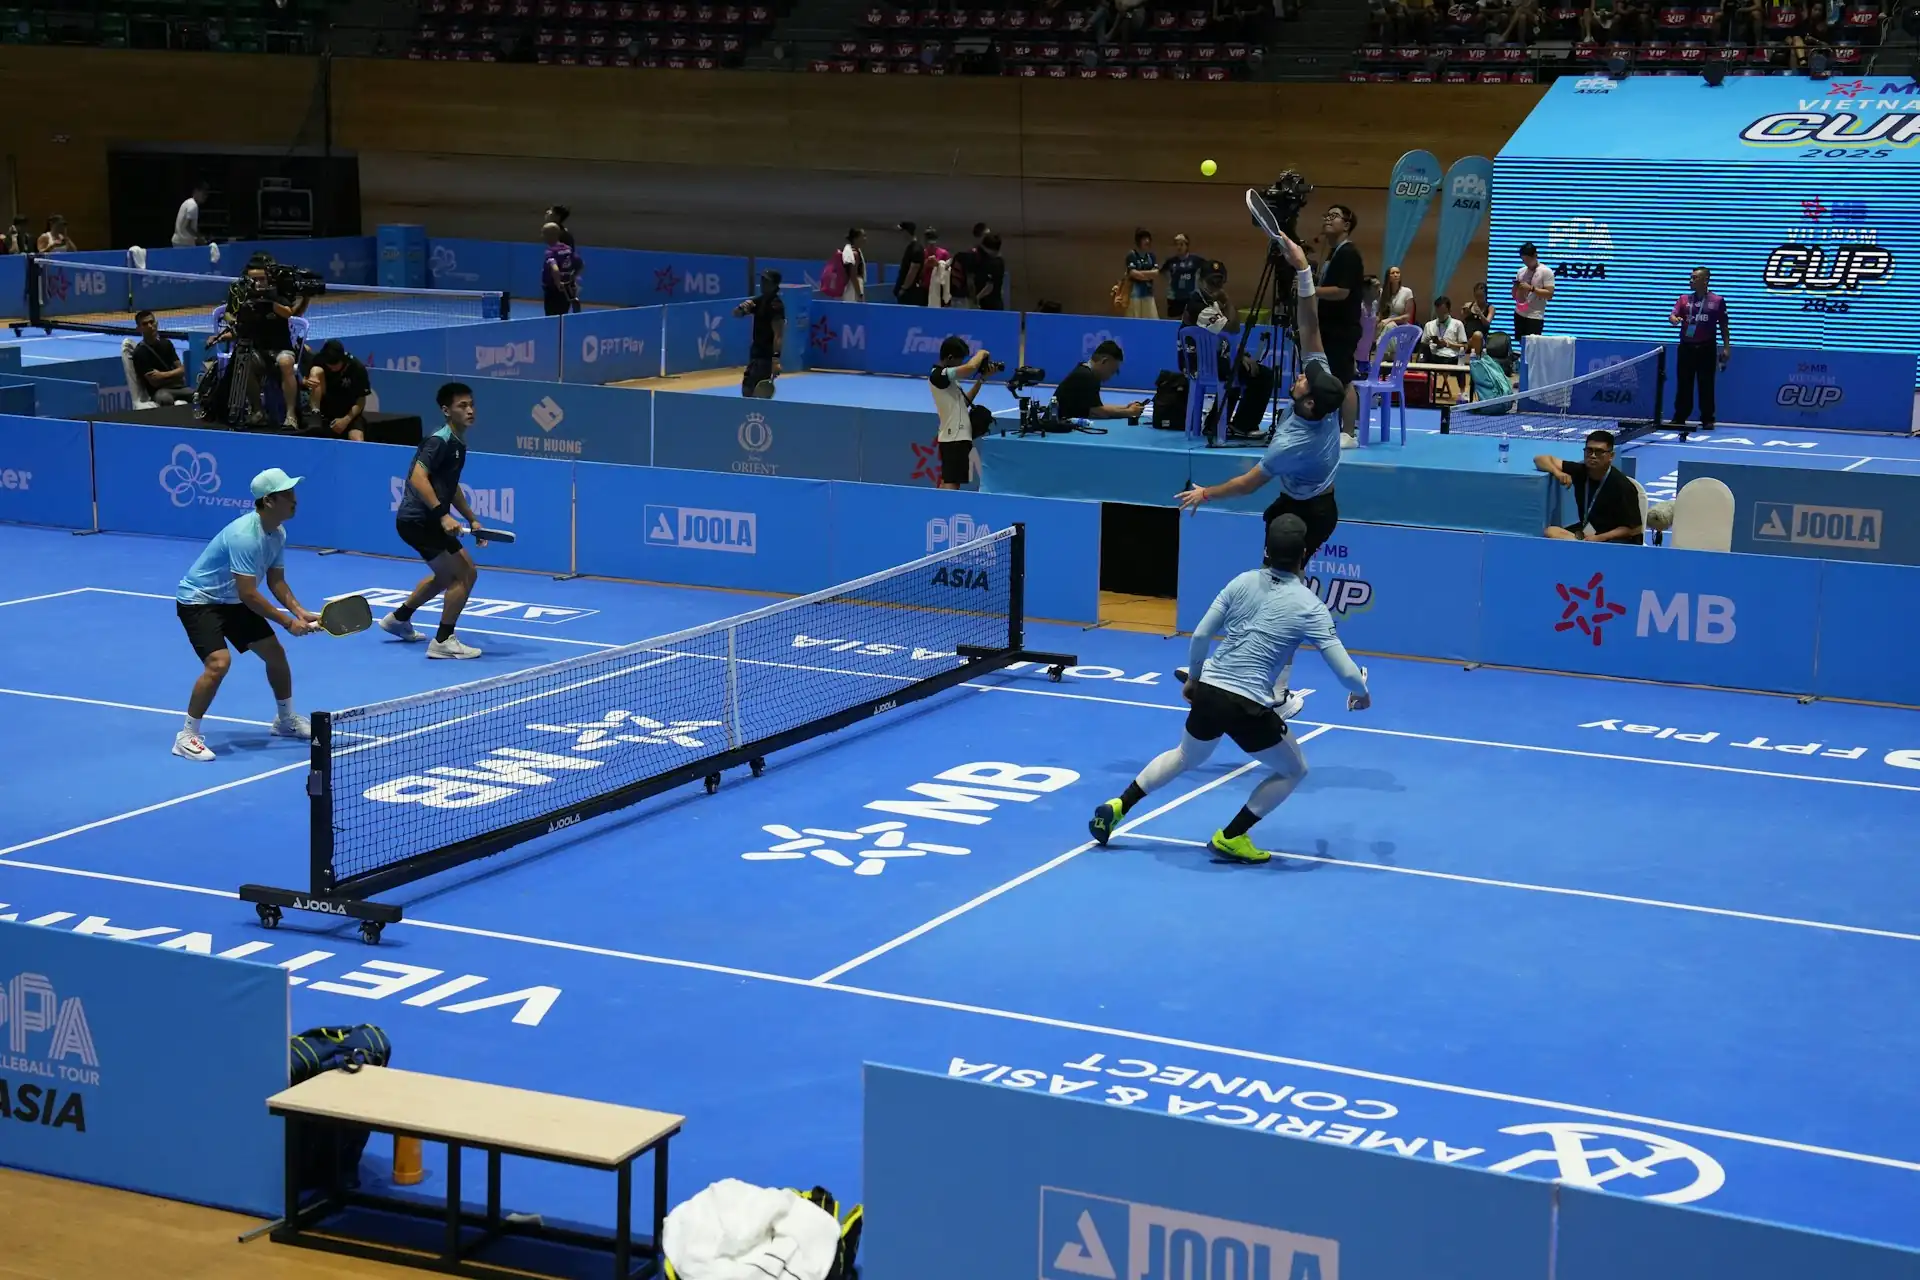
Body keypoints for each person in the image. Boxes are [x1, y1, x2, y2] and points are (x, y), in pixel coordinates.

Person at [1088, 514, 1371, 864]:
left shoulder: (1241, 582)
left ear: (1266, 550)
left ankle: (1119, 805)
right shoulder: (1311, 607)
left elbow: (1202, 635)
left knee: (1186, 755)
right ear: (1304, 557)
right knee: (1294, 770)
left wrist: (1194, 679)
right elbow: (1345, 672)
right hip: (1246, 704)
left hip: (1209, 690)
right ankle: (1231, 836)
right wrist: (1361, 691)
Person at [1174, 226, 1347, 720]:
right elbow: (1311, 329)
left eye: (1301, 380)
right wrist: (1304, 270)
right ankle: (1244, 676)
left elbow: (1250, 483)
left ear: (1309, 402)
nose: (1297, 374)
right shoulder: (1322, 394)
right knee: (1273, 593)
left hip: (1311, 510)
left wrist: (1206, 492)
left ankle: (1275, 691)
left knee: (1283, 600)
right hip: (1300, 501)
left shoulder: (1296, 440)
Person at [171, 468, 318, 761]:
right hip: (200, 601)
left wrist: (301, 612)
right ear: (268, 501)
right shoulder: (244, 536)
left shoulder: (277, 532)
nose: (294, 500)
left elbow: (276, 582)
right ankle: (186, 736)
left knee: (275, 654)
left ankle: (285, 720)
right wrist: (289, 622)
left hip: (230, 600)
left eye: (293, 493)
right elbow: (248, 594)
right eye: (287, 495)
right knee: (218, 663)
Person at [378, 383, 489, 659]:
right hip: (421, 520)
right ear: (446, 410)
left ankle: (398, 619)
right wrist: (443, 515)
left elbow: (451, 487)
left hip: (419, 521)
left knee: (445, 576)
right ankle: (443, 640)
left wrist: (472, 519)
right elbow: (418, 477)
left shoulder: (457, 442)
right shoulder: (439, 441)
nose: (470, 410)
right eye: (462, 406)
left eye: (471, 404)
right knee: (465, 573)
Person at [215, 253, 309, 429]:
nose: (257, 282)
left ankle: (290, 416)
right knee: (243, 361)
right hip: (257, 350)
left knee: (286, 362)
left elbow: (289, 313)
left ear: (268, 278)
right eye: (253, 279)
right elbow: (229, 312)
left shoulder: (276, 294)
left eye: (261, 278)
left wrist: (269, 303)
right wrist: (232, 321)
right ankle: (258, 412)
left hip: (281, 348)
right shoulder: (243, 294)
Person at [1183, 259, 1275, 438]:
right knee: (1263, 375)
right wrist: (1228, 301)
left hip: (1214, 361)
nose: (1216, 285)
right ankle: (1243, 425)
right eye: (1212, 281)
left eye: (1219, 281)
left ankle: (1213, 423)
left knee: (1240, 370)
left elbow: (1224, 339)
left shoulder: (1210, 302)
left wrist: (1241, 355)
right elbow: (1233, 328)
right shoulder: (1200, 306)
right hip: (1202, 364)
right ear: (1200, 280)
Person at [1535, 430, 1644, 543]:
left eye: (1599, 452)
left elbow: (1635, 529)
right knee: (1551, 531)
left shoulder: (1623, 486)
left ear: (1611, 456)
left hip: (1615, 539)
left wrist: (1600, 538)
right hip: (1589, 532)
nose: (1592, 456)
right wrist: (1558, 473)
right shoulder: (1581, 471)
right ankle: (1584, 546)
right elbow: (1540, 460)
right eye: (1589, 450)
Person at [1313, 204, 1365, 440]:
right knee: (1333, 378)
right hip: (1329, 328)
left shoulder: (1348, 253)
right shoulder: (1335, 253)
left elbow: (1342, 291)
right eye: (1327, 214)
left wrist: (1312, 290)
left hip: (1342, 329)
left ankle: (1348, 434)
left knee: (1343, 381)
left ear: (1346, 225)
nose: (1327, 219)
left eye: (1334, 216)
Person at [1668, 266, 1731, 433]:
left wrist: (1726, 348)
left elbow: (1724, 325)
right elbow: (1672, 315)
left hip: (1706, 348)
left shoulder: (1717, 301)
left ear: (1705, 280)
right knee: (1684, 384)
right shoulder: (1683, 299)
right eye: (1691, 277)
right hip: (1686, 348)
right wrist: (1674, 320)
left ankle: (1707, 419)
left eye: (1695, 278)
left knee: (1706, 385)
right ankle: (1679, 417)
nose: (1691, 280)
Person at [930, 336, 992, 489]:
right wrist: (981, 353)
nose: (961, 364)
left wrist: (982, 379)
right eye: (960, 360)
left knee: (947, 481)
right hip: (954, 437)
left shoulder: (949, 381)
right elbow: (970, 368)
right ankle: (947, 511)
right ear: (950, 358)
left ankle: (936, 510)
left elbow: (963, 404)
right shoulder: (938, 375)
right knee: (952, 483)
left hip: (956, 437)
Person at [1055, 340, 1147, 422]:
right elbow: (1099, 412)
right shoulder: (1087, 377)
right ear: (1104, 361)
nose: (1111, 377)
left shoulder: (1086, 371)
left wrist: (1126, 407)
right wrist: (1129, 412)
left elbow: (1097, 407)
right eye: (1112, 371)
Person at [302, 339, 369, 441]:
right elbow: (302, 377)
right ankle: (315, 413)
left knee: (357, 440)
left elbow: (361, 400)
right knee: (315, 370)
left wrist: (346, 420)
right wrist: (306, 382)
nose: (332, 368)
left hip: (348, 411)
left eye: (335, 364)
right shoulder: (319, 359)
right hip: (325, 407)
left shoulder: (356, 368)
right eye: (329, 364)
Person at [733, 270, 786, 397]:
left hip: (766, 357)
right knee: (748, 389)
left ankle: (757, 415)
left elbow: (778, 335)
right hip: (755, 354)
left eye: (766, 281)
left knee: (752, 390)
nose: (762, 283)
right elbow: (736, 314)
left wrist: (776, 360)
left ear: (774, 285)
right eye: (762, 280)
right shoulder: (758, 301)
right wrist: (741, 307)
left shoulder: (776, 306)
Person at [130, 309, 188, 405]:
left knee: (200, 396)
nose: (150, 326)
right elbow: (155, 382)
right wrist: (174, 375)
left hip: (179, 388)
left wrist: (162, 375)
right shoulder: (139, 352)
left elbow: (182, 370)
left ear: (156, 323)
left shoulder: (167, 343)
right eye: (145, 324)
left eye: (151, 322)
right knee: (165, 399)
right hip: (159, 392)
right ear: (139, 329)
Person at [1512, 241, 1555, 338]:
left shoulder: (1546, 271)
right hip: (1520, 312)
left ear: (1535, 256)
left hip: (1535, 316)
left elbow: (1549, 294)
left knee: (1533, 344)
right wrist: (1515, 288)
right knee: (1520, 341)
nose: (1526, 263)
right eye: (1523, 260)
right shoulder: (1521, 271)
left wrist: (1531, 288)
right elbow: (1514, 296)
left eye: (1528, 260)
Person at [541, 222, 580, 317]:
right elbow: (580, 264)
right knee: (563, 316)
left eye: (544, 233)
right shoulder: (568, 249)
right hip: (567, 289)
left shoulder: (551, 252)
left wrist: (558, 283)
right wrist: (572, 277)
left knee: (552, 318)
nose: (542, 236)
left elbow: (555, 269)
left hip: (553, 290)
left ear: (550, 235)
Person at [1162, 233, 1205, 319]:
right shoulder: (1170, 261)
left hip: (1190, 298)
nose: (1179, 247)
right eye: (1176, 244)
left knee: (1191, 321)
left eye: (1181, 244)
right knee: (1174, 324)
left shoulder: (1195, 260)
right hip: (1175, 299)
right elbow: (1161, 272)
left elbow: (1208, 268)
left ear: (1187, 245)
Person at [1420, 295, 1468, 363]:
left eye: (1443, 312)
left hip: (1451, 357)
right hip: (1433, 356)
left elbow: (1465, 346)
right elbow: (1423, 345)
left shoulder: (1458, 324)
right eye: (1438, 312)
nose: (1441, 315)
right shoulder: (1429, 325)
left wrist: (1448, 344)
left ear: (1449, 310)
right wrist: (1430, 341)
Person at [1124, 229, 1158, 320]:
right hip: (1134, 295)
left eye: (1148, 239)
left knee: (1152, 322)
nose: (1147, 241)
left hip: (1148, 294)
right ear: (1138, 241)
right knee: (1134, 322)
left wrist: (1141, 274)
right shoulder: (1132, 255)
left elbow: (1156, 273)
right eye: (1144, 239)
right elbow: (1133, 273)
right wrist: (1148, 275)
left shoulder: (1151, 256)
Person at [893, 222, 926, 306]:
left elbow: (913, 269)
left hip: (910, 293)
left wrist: (904, 288)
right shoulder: (911, 247)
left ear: (906, 232)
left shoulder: (916, 249)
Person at [834, 228, 866, 302]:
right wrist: (860, 294)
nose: (865, 239)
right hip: (852, 289)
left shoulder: (856, 251)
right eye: (863, 236)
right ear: (856, 238)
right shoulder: (854, 253)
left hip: (852, 288)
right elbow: (853, 275)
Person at [172, 180, 208, 248]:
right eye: (203, 193)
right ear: (196, 191)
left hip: (178, 241)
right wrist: (200, 237)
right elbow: (188, 226)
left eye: (206, 194)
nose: (205, 196)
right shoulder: (193, 206)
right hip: (184, 244)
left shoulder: (187, 202)